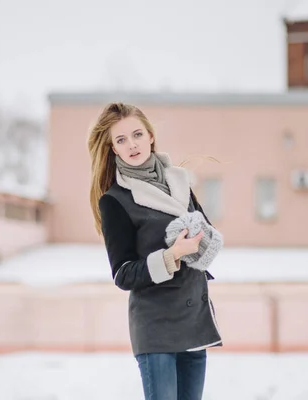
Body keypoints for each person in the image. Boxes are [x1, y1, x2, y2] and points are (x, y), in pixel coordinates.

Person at [87, 102, 223, 400]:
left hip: (193, 322)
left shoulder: (180, 182)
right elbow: (123, 274)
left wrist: (202, 240)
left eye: (137, 134)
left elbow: (204, 231)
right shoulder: (116, 200)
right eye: (121, 140)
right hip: (155, 328)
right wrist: (171, 254)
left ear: (150, 136)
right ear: (113, 150)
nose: (131, 144)